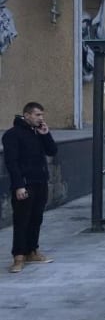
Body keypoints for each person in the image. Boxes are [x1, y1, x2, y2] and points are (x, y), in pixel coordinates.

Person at [2, 101, 58, 273]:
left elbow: (52, 151)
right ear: (27, 115)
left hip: (40, 182)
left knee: (36, 218)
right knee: (22, 220)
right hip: (25, 184)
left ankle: (32, 252)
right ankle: (18, 257)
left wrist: (46, 135)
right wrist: (19, 186)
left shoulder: (38, 132)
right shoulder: (12, 135)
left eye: (42, 115)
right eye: (37, 115)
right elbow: (11, 163)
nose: (41, 118)